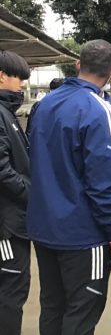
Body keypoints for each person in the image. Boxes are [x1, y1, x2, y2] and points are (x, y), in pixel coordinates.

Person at [27, 40, 111, 335]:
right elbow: (101, 184)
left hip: (43, 225)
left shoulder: (45, 104)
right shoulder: (100, 109)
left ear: (78, 65)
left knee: (53, 305)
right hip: (83, 233)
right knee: (82, 310)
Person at [0, 51, 31, 335]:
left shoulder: (7, 111)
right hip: (5, 226)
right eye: (19, 78)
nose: (22, 85)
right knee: (10, 291)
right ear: (2, 76)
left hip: (13, 219)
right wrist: (30, 194)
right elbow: (2, 170)